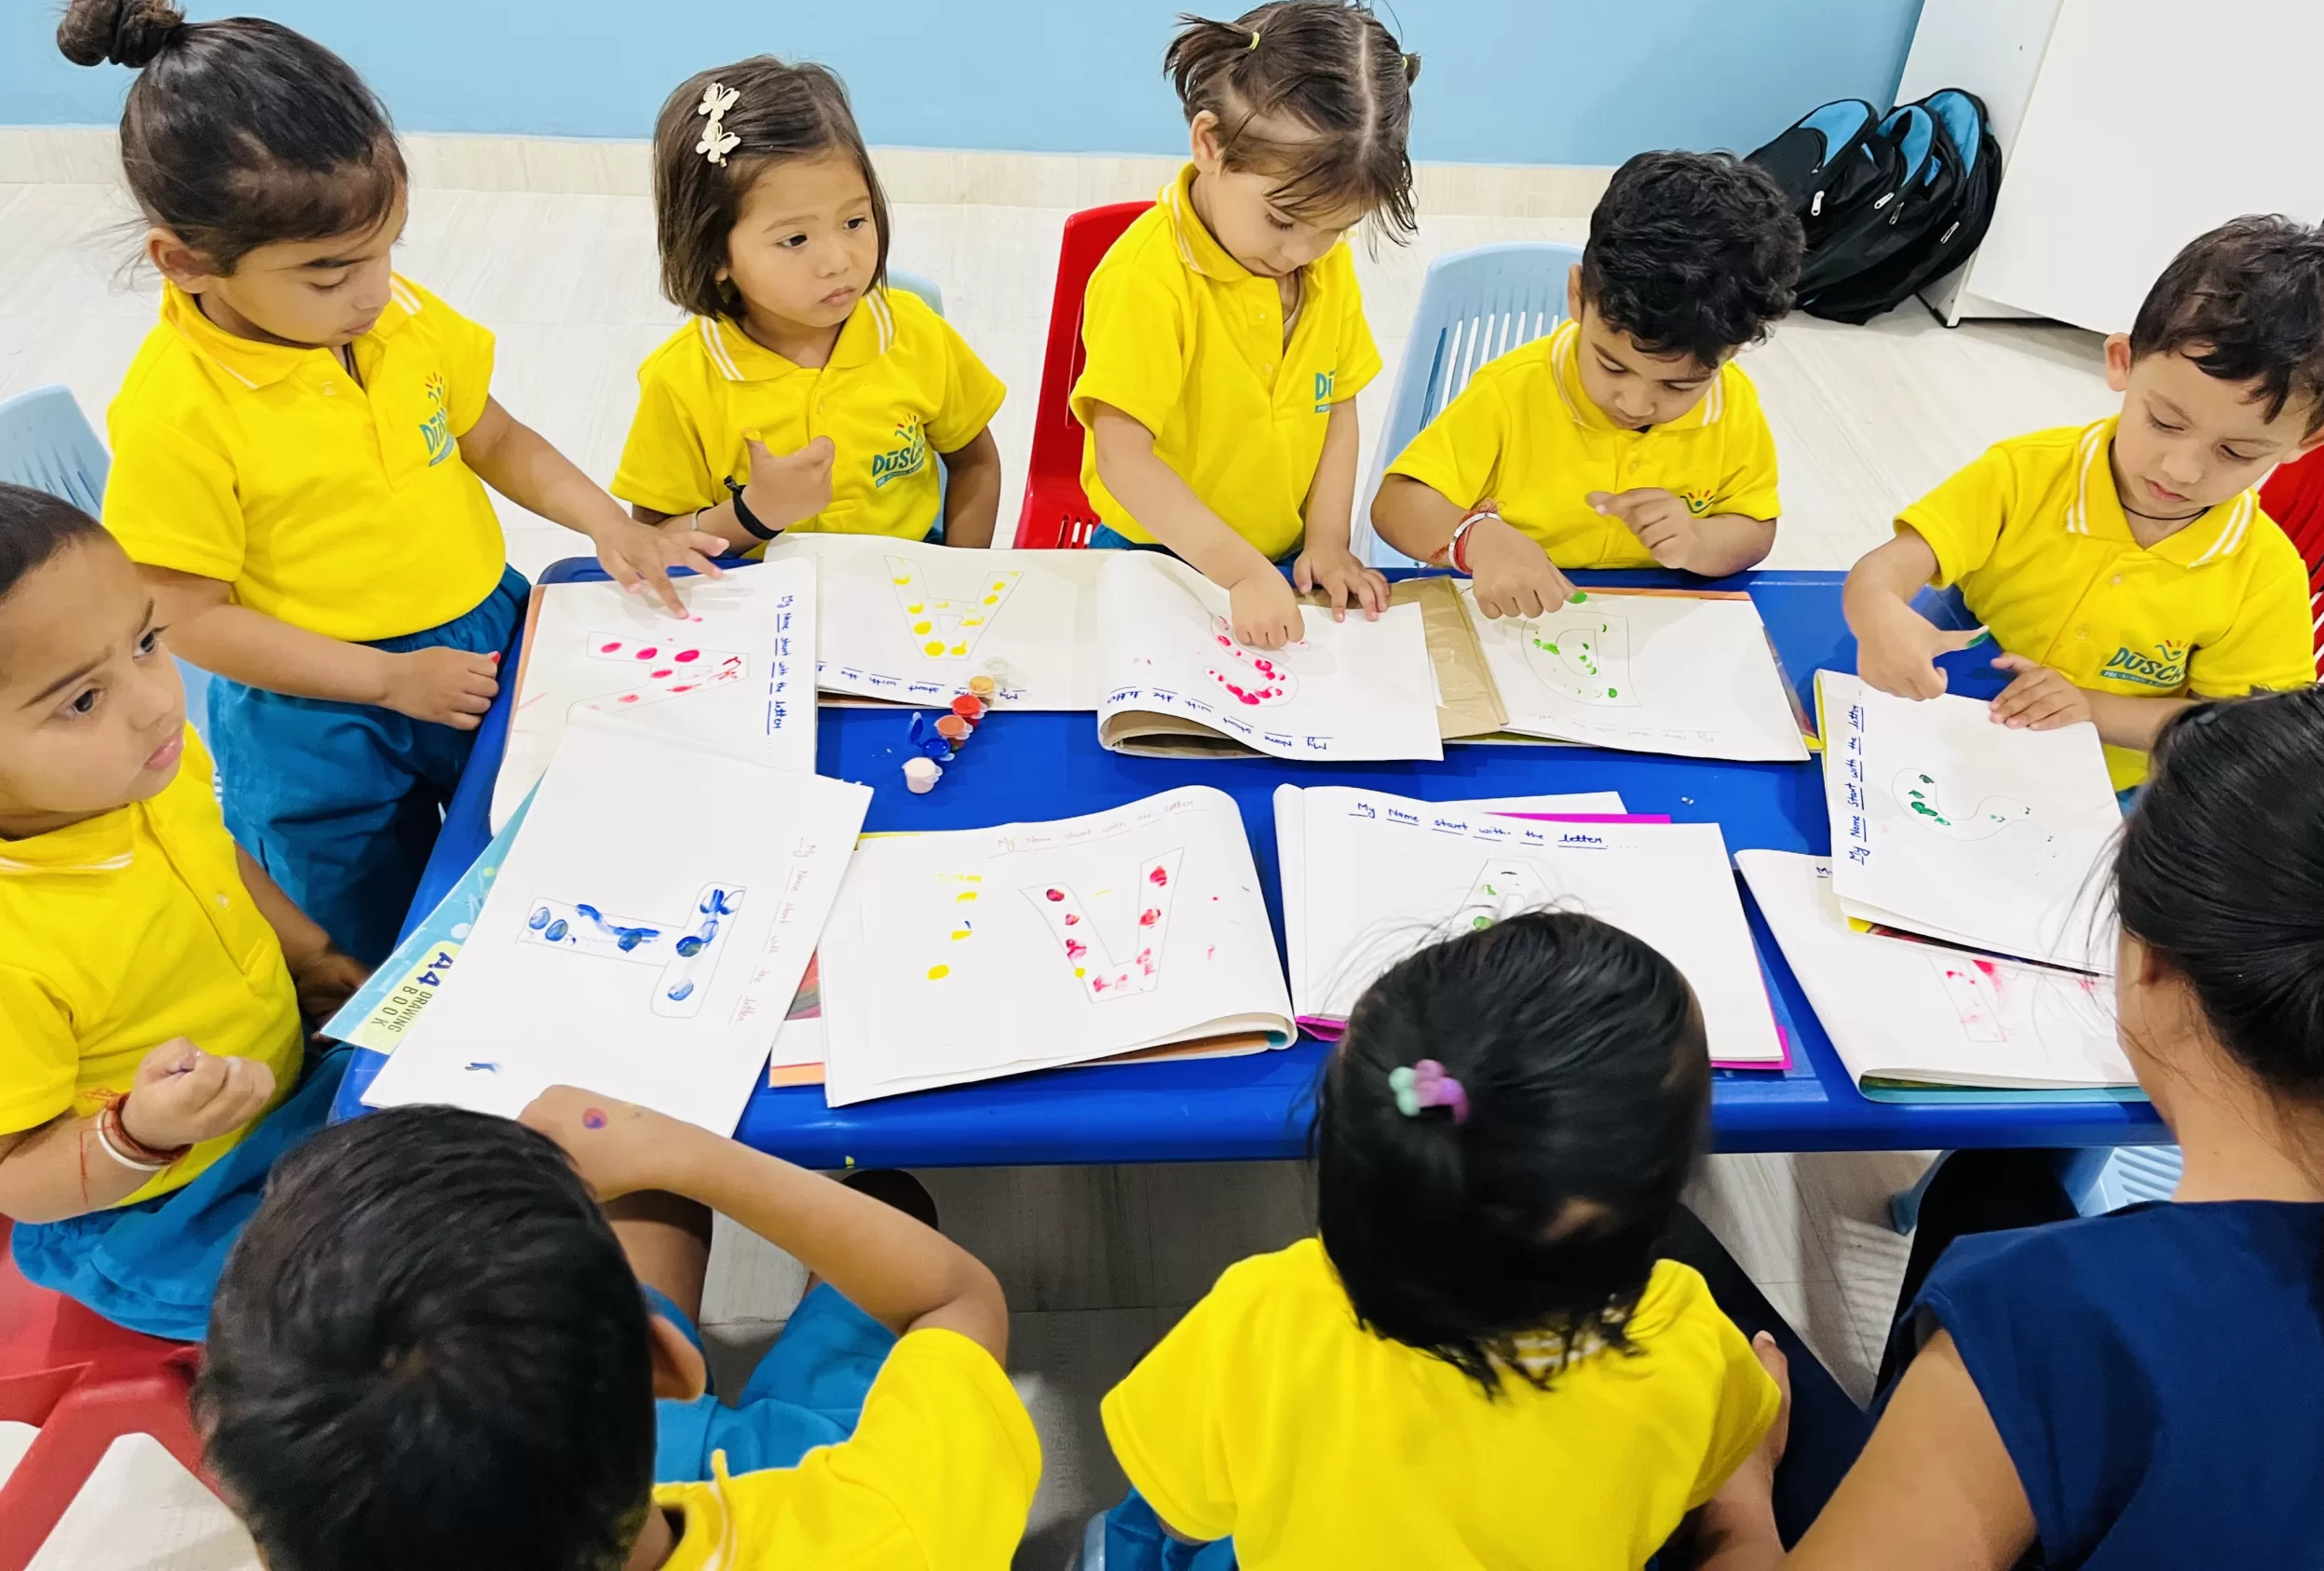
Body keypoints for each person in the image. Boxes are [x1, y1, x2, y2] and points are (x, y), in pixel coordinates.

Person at [60, 0, 723, 968]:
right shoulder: (177, 410)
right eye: (330, 274)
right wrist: (384, 679)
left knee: (536, 852)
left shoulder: (393, 316)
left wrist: (605, 522)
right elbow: (189, 615)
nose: (373, 292)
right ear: (185, 261)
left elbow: (489, 434)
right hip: (321, 715)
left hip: (474, 634)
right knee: (376, 940)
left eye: (383, 253)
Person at [1691, 684, 2324, 1566]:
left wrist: (1738, 1503)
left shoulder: (2054, 1317)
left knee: (1667, 1262)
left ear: (2155, 968)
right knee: (2001, 1187)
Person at [1094, 912, 1781, 1568]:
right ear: (1662, 1201)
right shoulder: (1687, 1338)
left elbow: (1180, 1516)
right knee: (1738, 1514)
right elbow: (1700, 1475)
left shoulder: (1261, 1314)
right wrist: (1747, 1474)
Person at [198, 1094, 1038, 1571]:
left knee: (648, 1210)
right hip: (811, 1478)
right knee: (889, 1202)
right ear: (667, 1362)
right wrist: (692, 1156)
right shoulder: (889, 1536)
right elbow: (954, 1300)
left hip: (567, 1493)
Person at [0, 487, 366, 1336]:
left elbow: (218, 857)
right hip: (159, 1208)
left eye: (146, 642)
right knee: (398, 1301)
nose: (160, 700)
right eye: (81, 700)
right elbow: (17, 1174)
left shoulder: (140, 769)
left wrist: (310, 957)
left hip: (284, 1085)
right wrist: (137, 1135)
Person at [1842, 215, 2324, 788]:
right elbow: (1888, 569)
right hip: (1952, 722)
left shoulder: (2261, 576)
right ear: (2122, 361)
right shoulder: (2028, 473)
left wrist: (2092, 709)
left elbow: (2238, 724)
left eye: (2237, 452)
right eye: (2165, 421)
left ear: (2308, 442)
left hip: (2105, 786)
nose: (2182, 469)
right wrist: (1878, 615)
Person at [1073, 0, 1412, 648]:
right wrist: (1240, 572)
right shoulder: (1145, 278)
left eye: (1336, 230)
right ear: (1210, 144)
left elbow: (1337, 406)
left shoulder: (1321, 268)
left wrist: (1327, 540)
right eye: (1282, 221)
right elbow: (1122, 458)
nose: (1301, 253)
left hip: (1278, 556)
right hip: (1154, 551)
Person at [1373, 151, 1801, 613]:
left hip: (1646, 629)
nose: (1636, 404)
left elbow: (1755, 527)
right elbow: (1397, 506)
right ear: (1578, 296)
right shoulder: (1512, 391)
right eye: (1613, 366)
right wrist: (1476, 539)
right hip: (1506, 621)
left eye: (1678, 387)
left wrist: (1699, 541)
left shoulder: (1731, 406)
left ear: (1731, 353)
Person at [613, 57, 1006, 554]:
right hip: (757, 600)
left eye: (855, 222)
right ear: (715, 254)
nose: (837, 262)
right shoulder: (682, 380)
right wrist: (754, 513)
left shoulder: (915, 332)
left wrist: (956, 576)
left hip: (901, 583)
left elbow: (975, 462)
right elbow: (652, 539)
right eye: (796, 238)